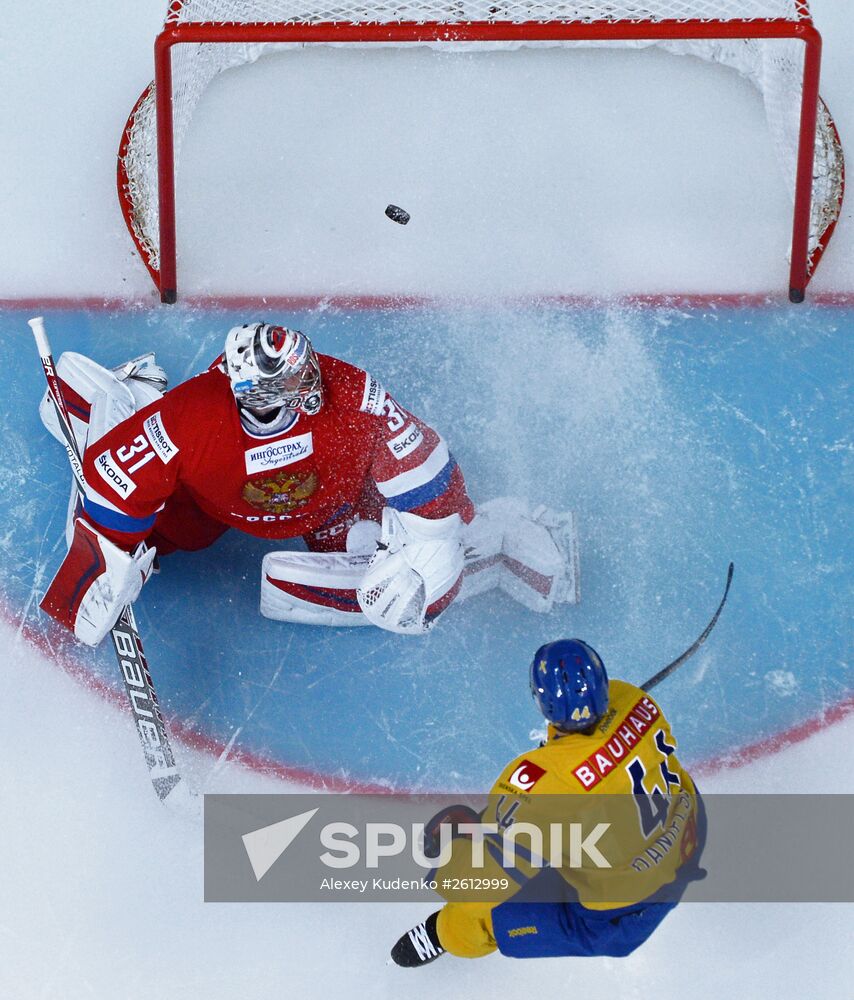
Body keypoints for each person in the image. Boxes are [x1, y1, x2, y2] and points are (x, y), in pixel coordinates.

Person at [38, 323, 580, 645]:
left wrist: (438, 541)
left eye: (307, 366)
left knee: (383, 570)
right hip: (208, 507)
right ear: (257, 393)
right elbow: (113, 476)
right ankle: (109, 401)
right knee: (162, 537)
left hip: (331, 505)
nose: (316, 377)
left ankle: (498, 548)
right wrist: (105, 556)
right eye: (297, 378)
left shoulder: (352, 394)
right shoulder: (191, 418)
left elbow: (422, 462)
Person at [391, 639, 705, 966]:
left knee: (479, 911)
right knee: (551, 826)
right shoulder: (631, 697)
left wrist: (452, 852)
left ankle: (442, 934)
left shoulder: (540, 780)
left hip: (622, 918)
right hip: (688, 833)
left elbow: (477, 886)